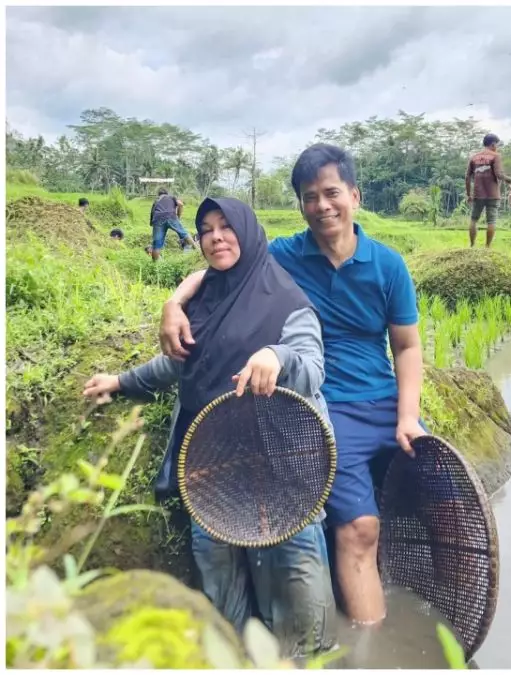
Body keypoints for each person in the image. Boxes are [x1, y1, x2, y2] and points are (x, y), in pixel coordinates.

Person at [158, 143, 427, 628]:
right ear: (300, 204)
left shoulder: (389, 266)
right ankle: (368, 634)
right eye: (310, 197)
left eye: (331, 193)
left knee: (440, 501)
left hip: (385, 400)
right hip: (326, 406)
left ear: (354, 196)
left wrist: (408, 415)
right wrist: (174, 302)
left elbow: (407, 348)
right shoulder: (282, 255)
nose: (322, 206)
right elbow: (221, 263)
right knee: (359, 527)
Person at [82, 197, 336, 656]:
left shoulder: (286, 302)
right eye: (205, 229)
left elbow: (313, 368)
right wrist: (119, 382)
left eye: (226, 226)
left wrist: (275, 356)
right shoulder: (203, 299)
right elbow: (178, 363)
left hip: (284, 473)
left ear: (249, 231)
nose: (216, 237)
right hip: (213, 473)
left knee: (302, 604)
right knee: (222, 603)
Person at [465, 133, 511, 248]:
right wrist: (509, 179)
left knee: (474, 219)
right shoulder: (495, 156)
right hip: (492, 194)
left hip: (478, 194)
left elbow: (467, 177)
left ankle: (472, 245)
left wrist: (468, 194)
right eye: (497, 144)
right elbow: (499, 174)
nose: (497, 147)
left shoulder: (474, 157)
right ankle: (487, 247)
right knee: (491, 221)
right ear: (493, 144)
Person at [149, 187, 196, 260]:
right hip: (171, 216)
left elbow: (152, 213)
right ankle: (198, 250)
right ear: (166, 193)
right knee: (184, 233)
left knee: (156, 245)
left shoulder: (156, 200)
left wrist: (153, 224)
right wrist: (178, 216)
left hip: (158, 219)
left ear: (159, 194)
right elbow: (180, 204)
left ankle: (156, 267)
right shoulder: (171, 197)